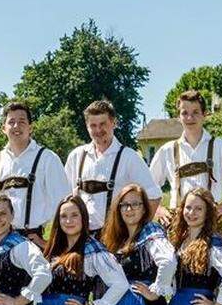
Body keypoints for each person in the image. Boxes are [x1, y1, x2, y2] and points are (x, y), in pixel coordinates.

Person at [100, 183, 177, 305]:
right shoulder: (117, 237)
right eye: (124, 205)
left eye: (135, 204)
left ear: (144, 208)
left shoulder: (150, 231)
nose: (129, 209)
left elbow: (168, 261)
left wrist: (156, 290)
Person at [149, 90, 222, 221]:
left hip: (210, 223)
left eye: (195, 112)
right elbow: (146, 186)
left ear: (204, 114)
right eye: (184, 113)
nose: (190, 118)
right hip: (177, 224)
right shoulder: (167, 151)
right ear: (178, 117)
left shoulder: (220, 147)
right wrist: (159, 210)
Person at [0, 101, 70, 248]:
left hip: (34, 242)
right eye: (11, 122)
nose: (16, 126)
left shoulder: (47, 159)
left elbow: (66, 207)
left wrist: (49, 244)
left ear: (31, 128)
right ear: (3, 129)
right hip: (0, 243)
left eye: (22, 121)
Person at [65, 99, 162, 232]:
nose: (98, 130)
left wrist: (136, 233)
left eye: (103, 124)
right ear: (87, 126)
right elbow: (65, 198)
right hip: (82, 237)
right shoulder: (76, 156)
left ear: (113, 123)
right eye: (93, 125)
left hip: (116, 237)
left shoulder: (129, 157)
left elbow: (154, 196)